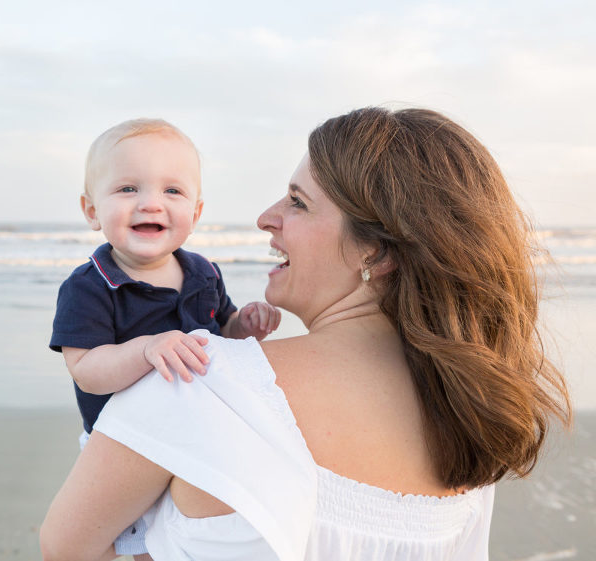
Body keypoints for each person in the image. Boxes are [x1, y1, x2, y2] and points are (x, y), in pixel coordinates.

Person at [41, 107, 572, 561]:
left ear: (377, 251)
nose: (265, 217)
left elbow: (65, 549)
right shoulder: (469, 415)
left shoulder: (198, 382)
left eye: (297, 202)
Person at [49, 118, 281, 558]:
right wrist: (145, 348)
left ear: (195, 213)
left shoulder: (204, 273)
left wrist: (245, 327)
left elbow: (221, 334)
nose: (151, 204)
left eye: (172, 191)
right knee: (109, 544)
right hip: (123, 444)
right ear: (91, 210)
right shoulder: (90, 286)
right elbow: (87, 372)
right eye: (127, 189)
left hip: (197, 438)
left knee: (178, 544)